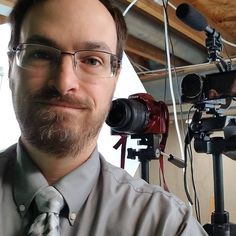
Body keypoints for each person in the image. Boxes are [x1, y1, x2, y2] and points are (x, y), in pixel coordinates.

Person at [0, 0, 208, 235]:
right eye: (40, 54)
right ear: (11, 67)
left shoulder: (168, 227)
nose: (64, 83)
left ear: (115, 77)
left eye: (92, 60)